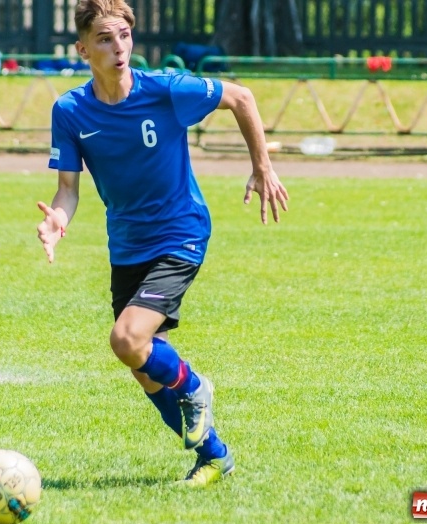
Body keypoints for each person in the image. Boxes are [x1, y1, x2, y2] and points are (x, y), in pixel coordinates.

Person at [36, 0, 289, 487]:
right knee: (144, 369)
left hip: (180, 233)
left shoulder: (165, 90)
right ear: (83, 48)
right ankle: (215, 457)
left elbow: (241, 97)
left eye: (124, 36)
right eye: (106, 39)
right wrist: (57, 223)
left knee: (127, 340)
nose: (119, 48)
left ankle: (196, 386)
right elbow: (67, 190)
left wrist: (262, 166)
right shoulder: (69, 110)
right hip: (126, 246)